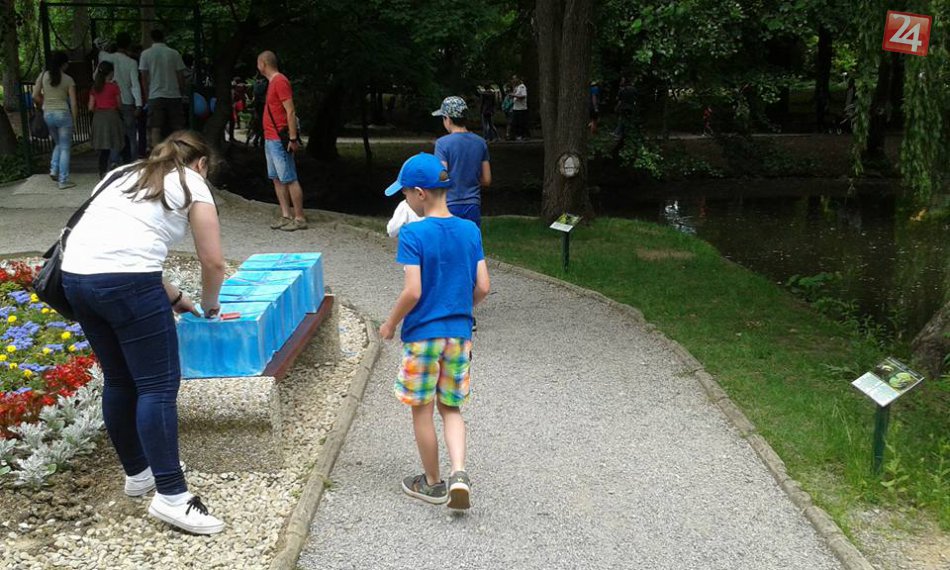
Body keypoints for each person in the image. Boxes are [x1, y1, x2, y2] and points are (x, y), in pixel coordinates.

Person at [61, 130, 227, 535]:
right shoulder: (192, 181)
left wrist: (174, 297)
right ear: (201, 163)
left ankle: (138, 473)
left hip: (76, 280)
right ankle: (172, 497)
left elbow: (120, 246)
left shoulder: (121, 174)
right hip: (128, 284)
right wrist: (210, 305)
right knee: (158, 387)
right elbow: (213, 262)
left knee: (120, 379)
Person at [379, 152, 491, 510]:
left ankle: (432, 483)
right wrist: (459, 307)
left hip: (422, 337)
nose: (404, 198)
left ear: (420, 193)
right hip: (459, 335)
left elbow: (412, 291)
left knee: (422, 410)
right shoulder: (470, 230)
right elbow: (483, 286)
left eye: (405, 193)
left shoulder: (413, 234)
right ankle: (459, 473)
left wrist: (390, 322)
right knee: (451, 408)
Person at [257, 50, 307, 231]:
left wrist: (292, 138)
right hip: (270, 138)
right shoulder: (272, 83)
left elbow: (290, 111)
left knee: (289, 178)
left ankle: (299, 217)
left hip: (279, 138)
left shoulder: (280, 81)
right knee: (277, 178)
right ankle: (286, 215)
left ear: (263, 64)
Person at [432, 96, 492, 228]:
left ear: (448, 119)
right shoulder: (480, 143)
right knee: (470, 240)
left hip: (449, 205)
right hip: (473, 205)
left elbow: (442, 177)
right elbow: (487, 180)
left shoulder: (442, 144)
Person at [33, 51, 77, 189]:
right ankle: (63, 180)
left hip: (48, 114)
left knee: (58, 143)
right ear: (64, 64)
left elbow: (35, 95)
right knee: (65, 147)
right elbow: (74, 103)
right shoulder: (69, 80)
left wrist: (45, 104)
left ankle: (53, 169)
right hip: (63, 114)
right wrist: (74, 120)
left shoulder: (44, 76)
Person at [99, 32, 143, 164]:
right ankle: (132, 162)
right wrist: (139, 104)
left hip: (110, 102)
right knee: (130, 134)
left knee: (115, 134)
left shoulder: (106, 57)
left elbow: (97, 73)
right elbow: (135, 84)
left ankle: (114, 160)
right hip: (127, 101)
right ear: (129, 45)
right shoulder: (131, 63)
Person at [139, 29, 186, 148]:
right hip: (174, 94)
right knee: (178, 126)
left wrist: (147, 95)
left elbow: (144, 77)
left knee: (155, 127)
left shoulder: (146, 54)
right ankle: (180, 151)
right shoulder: (174, 53)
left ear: (151, 38)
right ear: (164, 37)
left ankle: (156, 153)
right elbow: (180, 75)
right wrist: (181, 91)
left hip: (155, 94)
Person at [88, 61, 126, 179]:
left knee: (103, 145)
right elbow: (119, 104)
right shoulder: (114, 87)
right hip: (112, 116)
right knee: (115, 141)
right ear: (111, 73)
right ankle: (114, 163)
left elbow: (90, 107)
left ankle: (102, 170)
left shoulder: (95, 87)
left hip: (99, 117)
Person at [510, 75, 528, 140]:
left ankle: (522, 135)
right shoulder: (516, 87)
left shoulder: (522, 86)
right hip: (515, 108)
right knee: (514, 123)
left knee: (521, 123)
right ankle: (515, 135)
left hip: (521, 108)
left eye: (515, 79)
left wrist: (514, 95)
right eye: (513, 79)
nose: (513, 80)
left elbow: (523, 96)